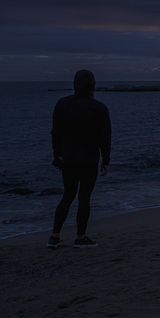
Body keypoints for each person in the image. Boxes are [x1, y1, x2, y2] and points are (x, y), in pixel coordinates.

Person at [47, 69, 111, 249]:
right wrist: (106, 160)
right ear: (92, 85)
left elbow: (56, 132)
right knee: (84, 197)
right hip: (89, 158)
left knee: (68, 195)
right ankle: (80, 237)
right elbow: (105, 136)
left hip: (68, 157)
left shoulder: (62, 104)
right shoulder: (99, 108)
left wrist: (57, 155)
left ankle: (54, 237)